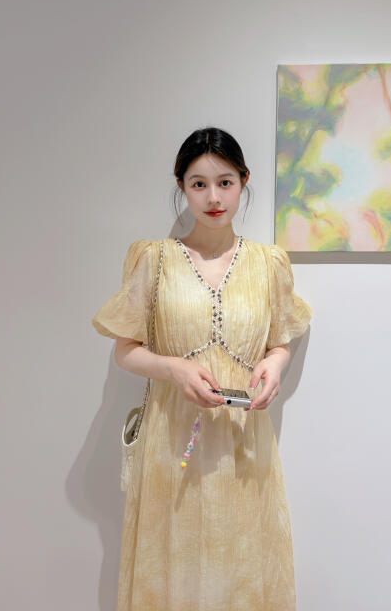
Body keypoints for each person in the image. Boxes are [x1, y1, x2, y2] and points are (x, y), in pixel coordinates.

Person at [92, 127, 312, 611]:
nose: (213, 197)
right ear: (181, 186)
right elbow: (125, 350)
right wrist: (174, 369)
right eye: (199, 184)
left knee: (241, 567)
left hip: (243, 443)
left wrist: (275, 364)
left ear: (244, 181)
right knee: (174, 568)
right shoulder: (155, 260)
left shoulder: (268, 264)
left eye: (225, 182)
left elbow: (281, 340)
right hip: (172, 442)